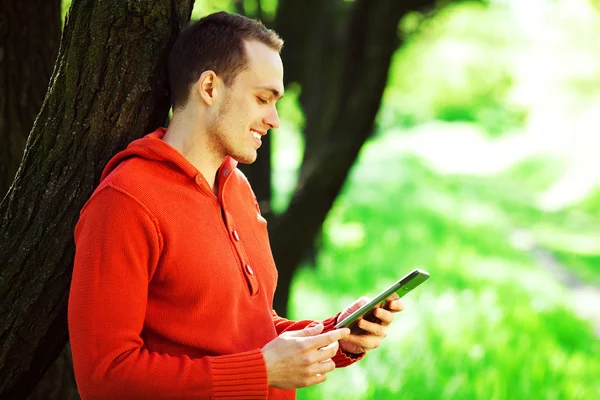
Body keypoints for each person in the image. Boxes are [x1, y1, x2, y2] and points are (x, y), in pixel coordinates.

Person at [68, 11, 404, 400]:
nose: (275, 119)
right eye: (263, 98)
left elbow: (251, 329)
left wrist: (338, 335)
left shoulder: (237, 189)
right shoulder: (125, 202)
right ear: (210, 87)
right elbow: (104, 377)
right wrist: (261, 371)